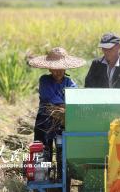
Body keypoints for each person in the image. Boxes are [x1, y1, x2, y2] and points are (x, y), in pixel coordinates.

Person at [28, 47, 85, 180]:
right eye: (54, 68)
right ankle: (41, 181)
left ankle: (62, 180)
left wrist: (64, 106)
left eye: (61, 68)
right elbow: (49, 98)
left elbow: (74, 99)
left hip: (63, 122)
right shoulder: (45, 80)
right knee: (43, 150)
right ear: (49, 68)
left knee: (62, 152)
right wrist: (64, 105)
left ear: (65, 69)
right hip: (45, 121)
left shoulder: (70, 83)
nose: (58, 71)